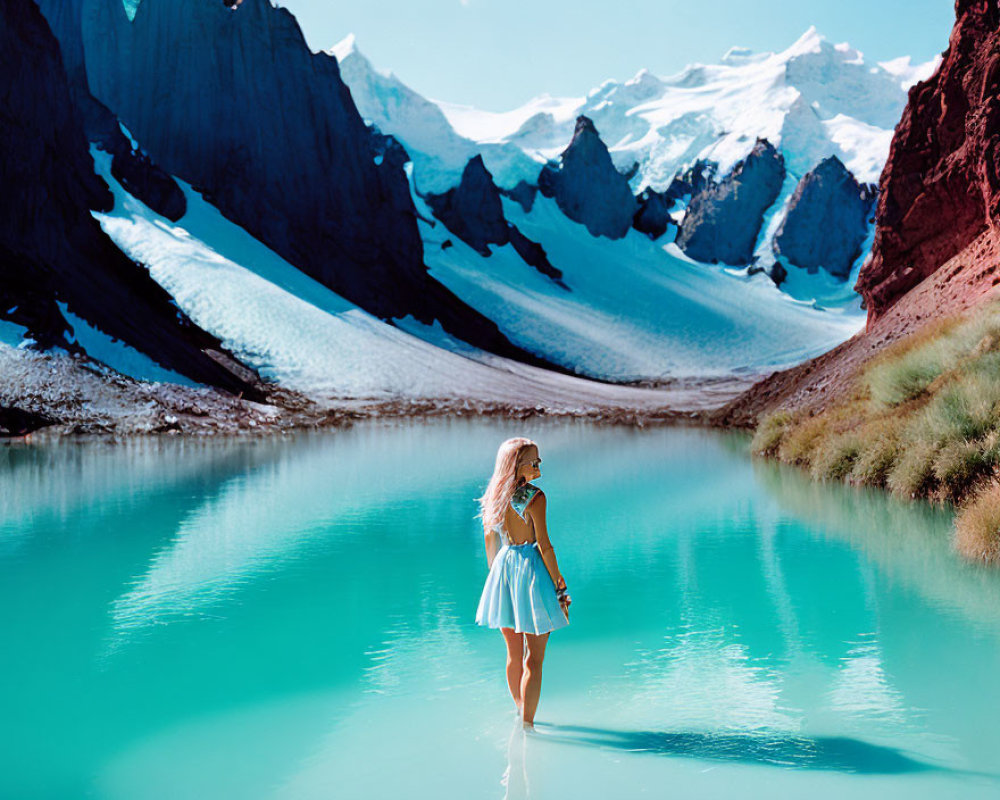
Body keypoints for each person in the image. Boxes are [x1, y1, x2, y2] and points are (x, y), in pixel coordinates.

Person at [475, 437, 571, 728]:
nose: (539, 465)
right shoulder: (534, 497)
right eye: (534, 461)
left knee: (514, 653)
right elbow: (545, 545)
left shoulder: (495, 496)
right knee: (535, 658)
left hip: (504, 570)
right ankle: (528, 726)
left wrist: (498, 579)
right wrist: (560, 587)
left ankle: (520, 713)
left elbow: (490, 545)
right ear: (520, 465)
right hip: (531, 572)